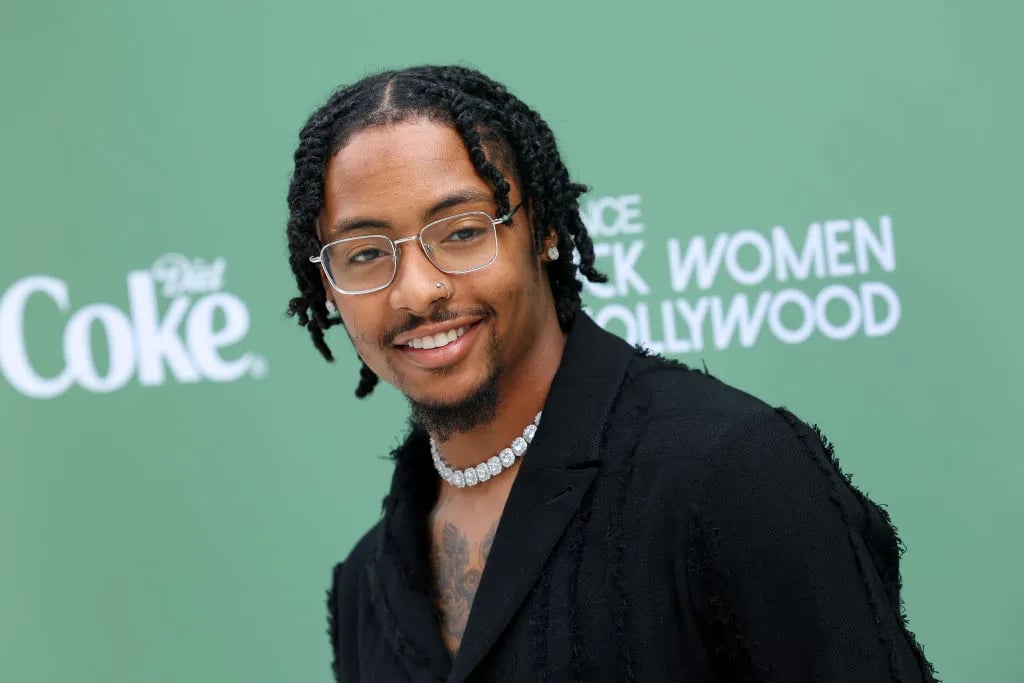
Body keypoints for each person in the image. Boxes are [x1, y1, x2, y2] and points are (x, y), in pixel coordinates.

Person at [283, 65, 939, 682]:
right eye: (365, 252)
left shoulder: (734, 474)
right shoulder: (366, 585)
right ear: (328, 287)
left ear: (540, 228)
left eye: (460, 232)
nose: (418, 290)